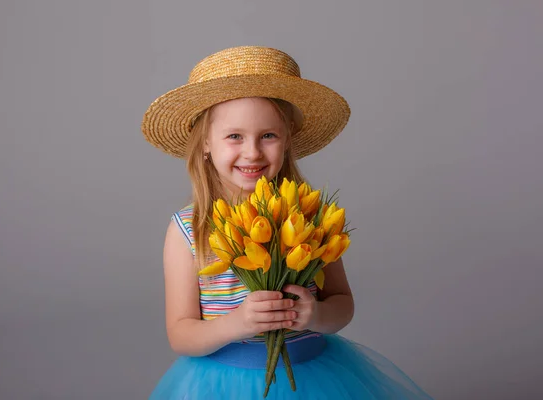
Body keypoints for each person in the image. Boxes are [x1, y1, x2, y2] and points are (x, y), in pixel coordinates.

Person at [141, 46, 433, 399]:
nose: (252, 152)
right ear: (206, 143)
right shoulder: (190, 228)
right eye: (234, 136)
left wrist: (314, 316)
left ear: (287, 141)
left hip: (314, 374)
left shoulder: (307, 217)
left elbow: (342, 304)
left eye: (268, 135)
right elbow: (181, 334)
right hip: (225, 382)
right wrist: (239, 323)